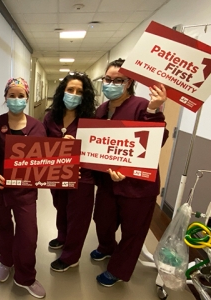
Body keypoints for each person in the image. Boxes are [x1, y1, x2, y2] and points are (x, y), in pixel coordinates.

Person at [91, 58, 169, 287]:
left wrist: (154, 110)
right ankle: (106, 248)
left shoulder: (143, 106)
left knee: (132, 231)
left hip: (137, 185)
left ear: (129, 82)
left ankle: (118, 269)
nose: (111, 83)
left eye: (118, 80)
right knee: (102, 220)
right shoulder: (102, 109)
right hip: (107, 183)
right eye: (108, 79)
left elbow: (157, 141)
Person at [0, 77, 46, 299]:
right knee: (2, 230)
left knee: (28, 235)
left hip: (25, 193)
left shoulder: (37, 127)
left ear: (27, 98)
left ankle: (26, 276)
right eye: (12, 95)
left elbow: (45, 159)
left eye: (21, 96)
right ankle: (6, 260)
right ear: (5, 97)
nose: (17, 99)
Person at [43, 72, 96, 272]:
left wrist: (78, 148)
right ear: (62, 92)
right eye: (70, 90)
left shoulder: (91, 120)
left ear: (85, 96)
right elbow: (42, 144)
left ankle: (71, 256)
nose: (74, 95)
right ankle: (62, 237)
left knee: (78, 217)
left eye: (79, 91)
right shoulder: (51, 117)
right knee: (61, 207)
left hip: (83, 177)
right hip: (57, 174)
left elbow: (98, 150)